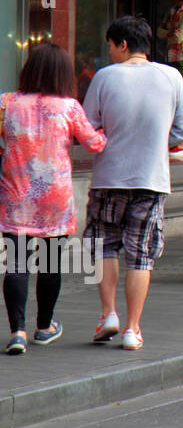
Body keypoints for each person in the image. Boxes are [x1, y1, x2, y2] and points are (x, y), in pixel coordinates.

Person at [82, 16, 183, 350]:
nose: (111, 52)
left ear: (123, 44)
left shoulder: (104, 76)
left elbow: (87, 127)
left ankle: (108, 314)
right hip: (152, 179)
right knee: (141, 255)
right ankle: (132, 328)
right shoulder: (172, 76)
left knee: (105, 245)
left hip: (109, 177)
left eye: (111, 45)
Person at [0, 44, 106, 354]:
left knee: (16, 264)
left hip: (16, 195)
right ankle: (44, 327)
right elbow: (94, 143)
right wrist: (110, 132)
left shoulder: (6, 103)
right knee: (50, 264)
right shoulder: (69, 107)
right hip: (55, 198)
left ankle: (17, 332)